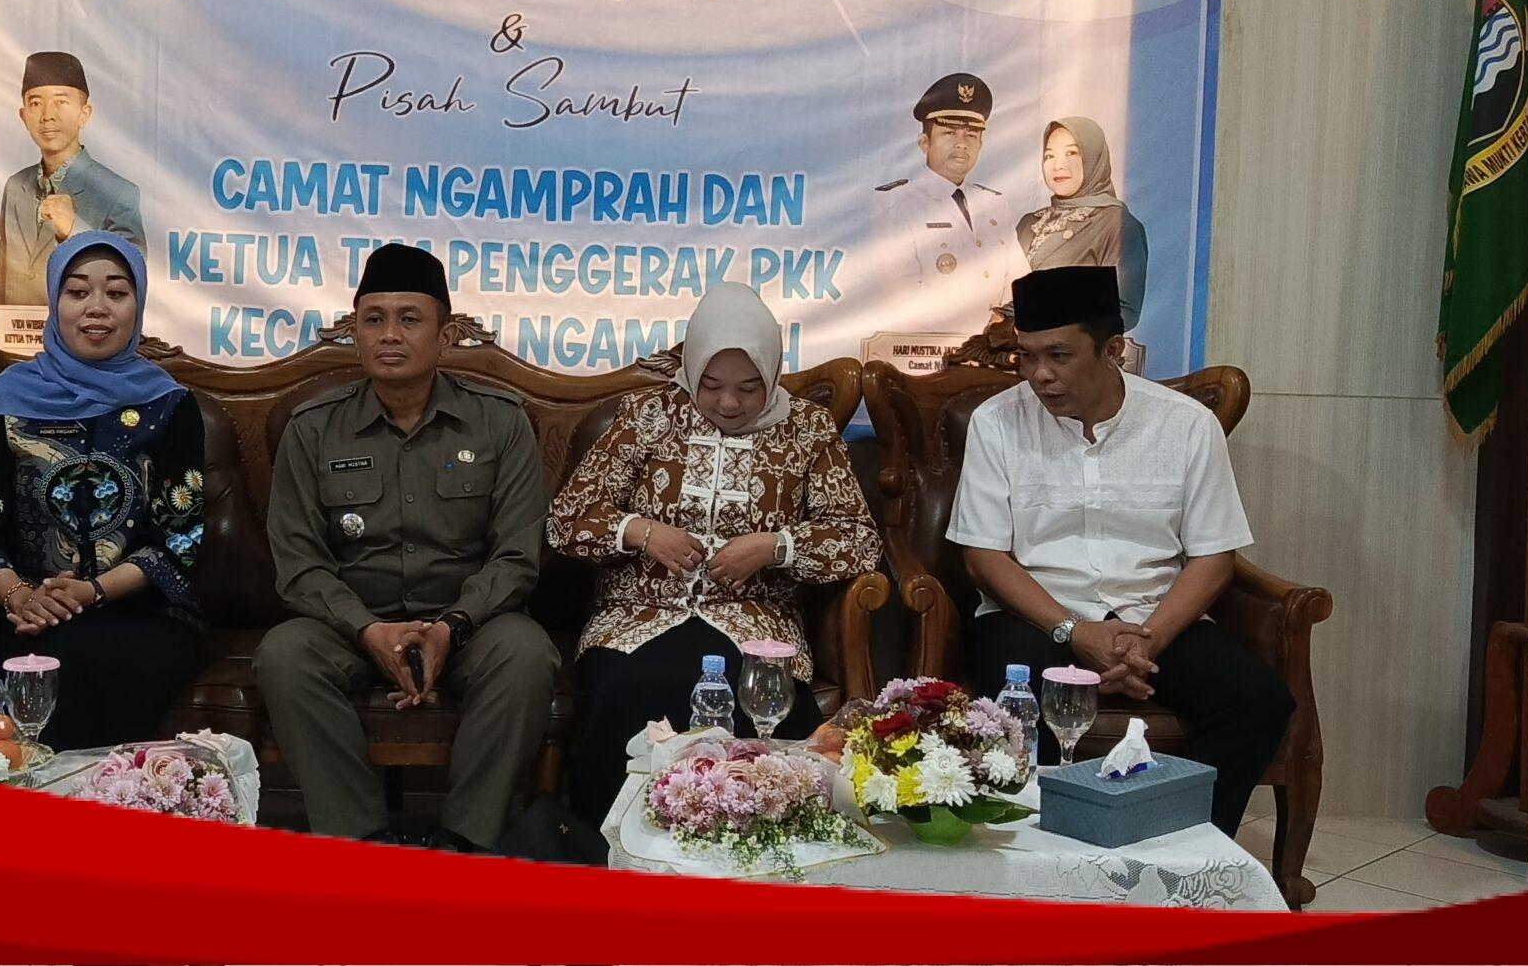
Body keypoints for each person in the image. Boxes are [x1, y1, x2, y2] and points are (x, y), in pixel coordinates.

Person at [946, 266, 1290, 835]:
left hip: (1154, 617)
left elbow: (1214, 555)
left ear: (1113, 351)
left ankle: (1176, 842)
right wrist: (1075, 631)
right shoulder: (998, 422)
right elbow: (983, 556)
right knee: (1009, 693)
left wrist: (1147, 640)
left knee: (1258, 700)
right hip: (1034, 618)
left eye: (1058, 355)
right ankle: (1035, 853)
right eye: (1027, 356)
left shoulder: (1186, 425)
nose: (1039, 375)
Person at [257, 243, 557, 852]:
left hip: (469, 626)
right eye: (374, 319)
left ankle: (464, 843)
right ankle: (362, 843)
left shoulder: (500, 421)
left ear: (445, 337)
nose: (389, 334)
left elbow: (518, 555)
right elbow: (299, 564)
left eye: (409, 319)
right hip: (350, 626)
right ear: (355, 333)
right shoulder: (312, 427)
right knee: (283, 655)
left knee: (527, 654)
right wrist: (367, 629)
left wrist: (452, 626)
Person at [549, 283, 882, 818]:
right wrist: (641, 531)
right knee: (627, 686)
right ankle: (615, 845)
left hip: (755, 622)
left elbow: (858, 540)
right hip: (637, 615)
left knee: (756, 696)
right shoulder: (647, 415)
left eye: (749, 388)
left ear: (772, 372)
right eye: (711, 385)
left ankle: (748, 845)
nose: (729, 403)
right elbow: (566, 519)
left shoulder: (808, 429)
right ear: (691, 369)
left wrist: (777, 547)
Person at [0, 231, 207, 749]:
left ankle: (105, 793)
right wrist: (23, 597)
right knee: (49, 655)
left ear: (138, 305)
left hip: (144, 615)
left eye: (116, 292)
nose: (97, 308)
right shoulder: (4, 402)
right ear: (54, 301)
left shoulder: (170, 405)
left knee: (93, 653)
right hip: (26, 615)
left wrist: (93, 592)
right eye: (77, 291)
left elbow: (180, 540)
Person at [869, 74, 1028, 337]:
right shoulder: (895, 203)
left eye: (971, 135)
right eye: (949, 133)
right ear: (924, 143)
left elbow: (1020, 281)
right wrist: (979, 333)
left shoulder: (994, 204)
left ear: (981, 144)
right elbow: (904, 295)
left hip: (996, 348)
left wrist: (1003, 325)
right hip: (929, 350)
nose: (961, 144)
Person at [0, 51, 144, 304]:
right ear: (23, 116)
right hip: (13, 328)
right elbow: (3, 280)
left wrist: (75, 230)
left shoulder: (118, 192)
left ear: (84, 114)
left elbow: (133, 275)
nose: (47, 115)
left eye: (61, 102)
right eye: (35, 103)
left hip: (80, 328)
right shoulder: (15, 186)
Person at [1016, 118, 1149, 331]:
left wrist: (1041, 326)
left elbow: (1124, 309)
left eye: (1071, 153)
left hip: (1068, 348)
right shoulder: (1029, 224)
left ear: (1094, 158)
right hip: (1011, 346)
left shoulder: (1116, 224)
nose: (1058, 165)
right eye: (1049, 156)